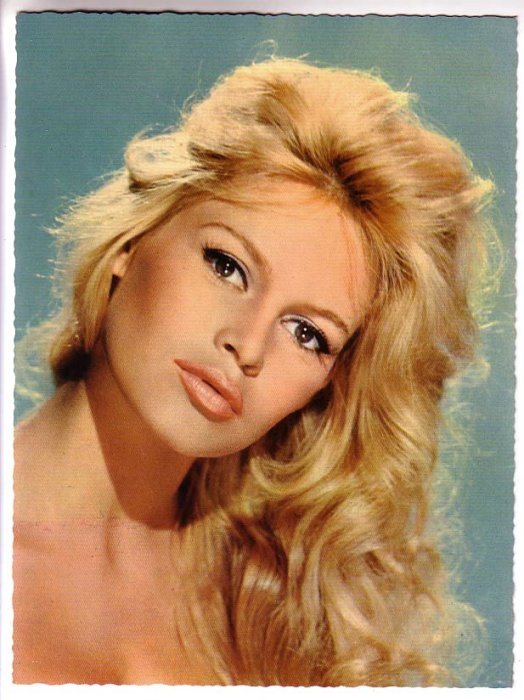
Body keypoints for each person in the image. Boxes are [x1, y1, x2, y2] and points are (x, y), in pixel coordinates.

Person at [13, 57, 494, 686]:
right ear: (134, 240)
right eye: (227, 266)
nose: (247, 346)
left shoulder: (281, 608)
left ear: (325, 388)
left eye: (307, 333)